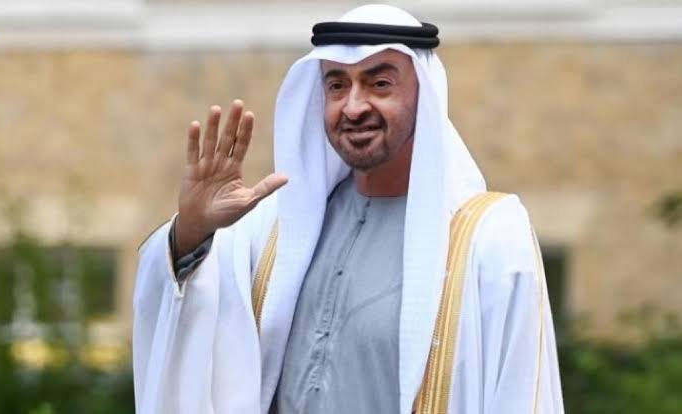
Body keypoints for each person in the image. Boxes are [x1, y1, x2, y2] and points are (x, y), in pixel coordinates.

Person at [133, 4, 564, 414]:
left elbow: (521, 393)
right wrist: (191, 232)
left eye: (380, 84)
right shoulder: (274, 230)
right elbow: (187, 327)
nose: (354, 107)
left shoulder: (488, 237)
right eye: (337, 85)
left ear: (424, 95)